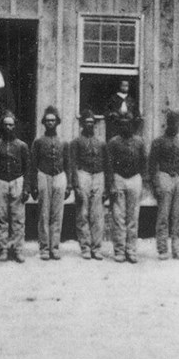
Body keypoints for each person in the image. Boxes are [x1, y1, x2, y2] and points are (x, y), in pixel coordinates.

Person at [0, 111, 30, 263]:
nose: (8, 128)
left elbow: (27, 169)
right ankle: (3, 249)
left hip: (17, 181)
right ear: (1, 126)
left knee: (18, 218)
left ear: (15, 126)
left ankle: (18, 249)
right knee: (1, 217)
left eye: (11, 125)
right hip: (0, 182)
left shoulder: (22, 146)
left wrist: (26, 188)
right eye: (5, 125)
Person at [148, 110, 179, 260]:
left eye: (178, 123)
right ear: (168, 123)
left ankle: (178, 249)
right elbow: (152, 165)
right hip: (164, 176)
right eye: (173, 123)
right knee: (163, 215)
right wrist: (156, 185)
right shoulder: (158, 142)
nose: (176, 126)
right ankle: (162, 249)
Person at [31, 106, 71, 260]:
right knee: (44, 213)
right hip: (44, 176)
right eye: (47, 121)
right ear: (43, 123)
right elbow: (33, 164)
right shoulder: (38, 142)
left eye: (53, 120)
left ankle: (55, 247)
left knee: (57, 214)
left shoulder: (63, 142)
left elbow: (68, 164)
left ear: (57, 122)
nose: (50, 123)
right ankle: (44, 248)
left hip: (60, 177)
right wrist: (33, 184)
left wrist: (69, 185)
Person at [106, 112, 147, 263]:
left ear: (133, 124)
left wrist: (142, 179)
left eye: (128, 123)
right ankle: (119, 250)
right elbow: (109, 164)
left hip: (134, 178)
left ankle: (131, 250)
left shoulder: (139, 142)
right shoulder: (113, 142)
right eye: (122, 123)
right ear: (119, 125)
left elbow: (144, 161)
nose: (125, 126)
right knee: (118, 216)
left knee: (133, 216)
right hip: (119, 179)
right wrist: (111, 183)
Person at [70, 109, 108, 260]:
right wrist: (76, 185)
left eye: (92, 123)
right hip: (83, 174)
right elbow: (72, 164)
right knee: (83, 213)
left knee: (97, 214)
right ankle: (85, 247)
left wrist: (106, 185)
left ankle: (96, 248)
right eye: (87, 123)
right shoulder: (76, 142)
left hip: (98, 176)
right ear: (82, 124)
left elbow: (107, 165)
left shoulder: (101, 143)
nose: (90, 125)